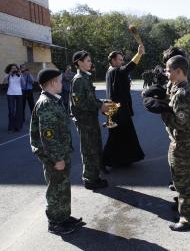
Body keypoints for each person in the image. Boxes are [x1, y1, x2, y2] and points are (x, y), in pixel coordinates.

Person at [30, 68, 85, 235]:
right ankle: (55, 222)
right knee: (55, 188)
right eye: (60, 81)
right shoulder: (46, 104)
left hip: (60, 152)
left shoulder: (53, 100)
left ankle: (63, 216)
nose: (62, 84)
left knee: (63, 185)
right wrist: (57, 158)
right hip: (54, 155)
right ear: (53, 83)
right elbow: (48, 136)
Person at [161, 55, 190, 231]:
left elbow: (179, 122)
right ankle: (187, 211)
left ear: (178, 72)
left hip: (182, 143)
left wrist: (163, 112)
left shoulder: (183, 93)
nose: (166, 73)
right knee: (182, 179)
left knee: (184, 182)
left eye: (169, 70)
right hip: (180, 141)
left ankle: (189, 218)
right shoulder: (178, 88)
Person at [70, 50, 110, 190]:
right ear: (79, 63)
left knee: (95, 147)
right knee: (89, 149)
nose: (90, 62)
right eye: (87, 60)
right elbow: (79, 103)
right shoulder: (79, 80)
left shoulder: (86, 78)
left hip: (90, 119)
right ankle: (90, 179)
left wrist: (102, 102)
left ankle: (95, 176)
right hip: (84, 121)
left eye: (90, 60)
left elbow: (90, 99)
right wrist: (100, 106)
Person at [103, 45, 145, 167]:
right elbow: (129, 68)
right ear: (113, 60)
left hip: (118, 109)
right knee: (115, 137)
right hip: (118, 110)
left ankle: (123, 159)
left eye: (122, 60)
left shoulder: (111, 72)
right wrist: (139, 54)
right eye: (120, 60)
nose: (122, 62)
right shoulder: (115, 70)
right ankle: (104, 161)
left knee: (125, 135)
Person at [3, 64, 23, 132]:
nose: (14, 69)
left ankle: (17, 126)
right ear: (10, 69)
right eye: (12, 68)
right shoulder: (7, 75)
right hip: (10, 94)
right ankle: (11, 127)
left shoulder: (19, 74)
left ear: (17, 69)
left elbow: (23, 83)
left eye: (15, 68)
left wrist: (21, 75)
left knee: (19, 111)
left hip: (19, 93)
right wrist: (9, 74)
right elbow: (4, 82)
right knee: (11, 111)